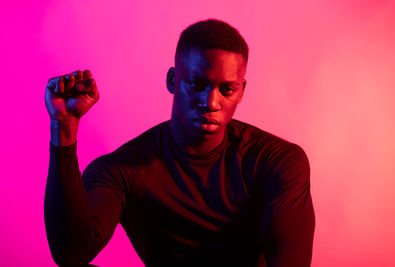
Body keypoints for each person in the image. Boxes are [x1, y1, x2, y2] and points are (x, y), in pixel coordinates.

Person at [45, 19, 315, 267]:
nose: (210, 103)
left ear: (241, 90)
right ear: (173, 80)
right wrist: (64, 127)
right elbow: (71, 254)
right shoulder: (121, 170)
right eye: (196, 84)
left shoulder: (277, 161)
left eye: (226, 89)